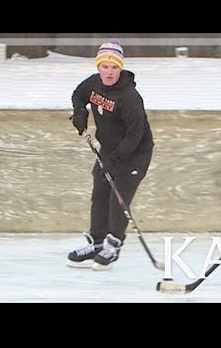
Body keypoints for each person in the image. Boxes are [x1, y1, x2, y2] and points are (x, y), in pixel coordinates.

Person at [67, 39, 154, 271]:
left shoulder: (129, 96)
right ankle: (96, 243)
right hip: (108, 150)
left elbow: (136, 134)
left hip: (135, 154)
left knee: (118, 199)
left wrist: (116, 160)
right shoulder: (93, 84)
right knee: (99, 195)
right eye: (105, 66)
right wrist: (79, 113)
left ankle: (113, 244)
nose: (109, 72)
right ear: (98, 67)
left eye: (114, 67)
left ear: (120, 68)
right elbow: (78, 95)